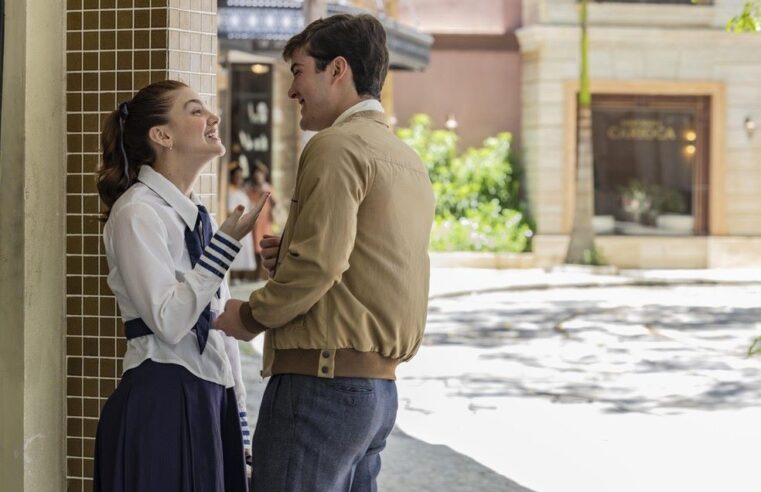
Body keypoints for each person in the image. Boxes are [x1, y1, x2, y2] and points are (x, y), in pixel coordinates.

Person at [214, 14, 436, 491]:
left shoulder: (335, 146)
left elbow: (322, 264)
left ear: (337, 70)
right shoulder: (404, 158)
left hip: (320, 386)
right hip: (375, 394)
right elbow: (372, 262)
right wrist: (291, 254)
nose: (292, 89)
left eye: (297, 71)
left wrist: (249, 316)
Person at [93, 80, 268, 491]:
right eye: (195, 110)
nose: (213, 117)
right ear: (162, 135)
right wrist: (223, 247)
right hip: (161, 400)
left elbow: (217, 329)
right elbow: (169, 322)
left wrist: (238, 419)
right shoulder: (136, 212)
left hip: (209, 398)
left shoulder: (199, 218)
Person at [227, 163, 258, 281]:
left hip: (245, 221)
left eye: (241, 176)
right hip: (236, 222)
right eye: (237, 176)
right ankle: (233, 276)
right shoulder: (229, 190)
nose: (239, 179)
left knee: (245, 249)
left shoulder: (243, 190)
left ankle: (242, 277)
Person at [245, 161, 275, 279]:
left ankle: (264, 275)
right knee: (253, 247)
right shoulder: (249, 188)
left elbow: (275, 203)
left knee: (264, 246)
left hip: (264, 221)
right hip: (254, 220)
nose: (257, 175)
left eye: (260, 173)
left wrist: (268, 194)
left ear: (264, 174)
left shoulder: (267, 187)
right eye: (256, 173)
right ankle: (254, 275)